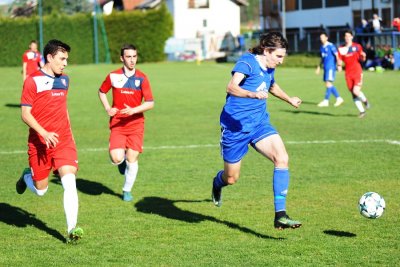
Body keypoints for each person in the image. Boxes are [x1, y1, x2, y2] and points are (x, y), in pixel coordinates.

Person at [211, 32, 302, 230]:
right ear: (267, 51)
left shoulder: (269, 67)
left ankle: (281, 215)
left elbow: (271, 86)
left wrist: (289, 99)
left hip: (260, 124)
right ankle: (218, 183)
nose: (281, 60)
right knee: (231, 178)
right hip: (235, 128)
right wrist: (251, 94)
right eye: (278, 56)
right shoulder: (247, 63)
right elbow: (231, 87)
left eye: (283, 56)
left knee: (282, 158)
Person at [16, 39, 83, 243]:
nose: (65, 63)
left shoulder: (65, 80)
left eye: (66, 59)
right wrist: (43, 133)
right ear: (50, 57)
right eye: (62, 59)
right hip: (39, 143)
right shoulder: (32, 81)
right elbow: (25, 114)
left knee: (69, 182)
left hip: (63, 141)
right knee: (41, 190)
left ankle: (72, 230)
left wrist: (69, 133)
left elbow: (63, 109)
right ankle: (27, 177)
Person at [98, 44, 154, 202]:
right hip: (118, 124)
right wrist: (108, 107)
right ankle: (120, 161)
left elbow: (150, 103)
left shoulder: (142, 78)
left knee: (132, 158)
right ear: (122, 58)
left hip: (136, 125)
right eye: (128, 57)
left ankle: (126, 190)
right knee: (116, 158)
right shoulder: (113, 76)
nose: (132, 60)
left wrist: (134, 110)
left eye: (134, 56)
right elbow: (101, 92)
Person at [337, 30, 370, 118]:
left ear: (352, 37)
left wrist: (364, 56)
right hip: (348, 73)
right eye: (346, 36)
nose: (347, 38)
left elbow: (362, 58)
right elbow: (339, 59)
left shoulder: (357, 46)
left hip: (357, 71)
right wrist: (339, 65)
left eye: (349, 36)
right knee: (353, 93)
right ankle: (362, 111)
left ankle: (365, 101)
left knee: (356, 91)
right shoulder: (341, 48)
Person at [315, 32, 344, 107]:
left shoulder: (331, 45)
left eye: (323, 37)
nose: (321, 39)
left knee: (328, 83)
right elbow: (322, 58)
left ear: (326, 38)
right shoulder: (322, 47)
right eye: (320, 37)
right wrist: (318, 66)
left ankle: (326, 100)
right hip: (325, 67)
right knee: (328, 84)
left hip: (331, 67)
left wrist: (339, 65)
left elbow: (337, 55)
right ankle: (338, 98)